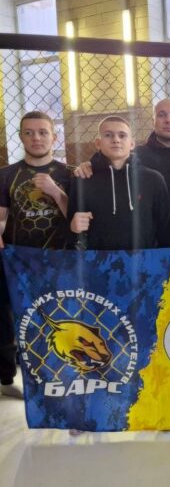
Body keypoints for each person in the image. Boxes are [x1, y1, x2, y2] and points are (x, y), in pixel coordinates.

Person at [0, 111, 72, 399]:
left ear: (54, 137)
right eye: (29, 132)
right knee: (10, 318)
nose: (36, 138)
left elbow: (74, 216)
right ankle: (7, 378)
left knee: (56, 321)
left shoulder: (69, 173)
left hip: (58, 261)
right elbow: (1, 217)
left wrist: (55, 192)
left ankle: (60, 376)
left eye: (43, 132)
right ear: (21, 137)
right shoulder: (7, 174)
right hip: (17, 261)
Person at [74, 99, 170, 244]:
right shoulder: (137, 155)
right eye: (162, 115)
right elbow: (112, 160)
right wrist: (93, 164)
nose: (168, 120)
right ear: (153, 121)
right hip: (147, 240)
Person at [68, 116, 170, 250]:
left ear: (132, 144)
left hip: (144, 258)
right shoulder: (83, 179)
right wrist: (73, 228)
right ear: (98, 143)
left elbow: (165, 226)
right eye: (108, 135)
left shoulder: (153, 179)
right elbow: (71, 224)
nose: (116, 140)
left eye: (122, 135)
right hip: (99, 259)